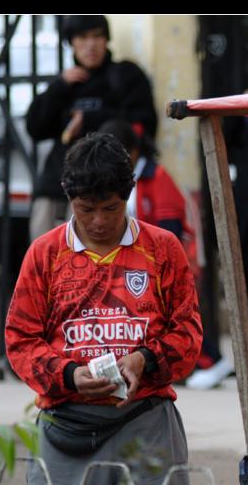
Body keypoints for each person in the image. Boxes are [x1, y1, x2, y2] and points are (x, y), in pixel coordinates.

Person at [5, 132, 201, 485]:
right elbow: (20, 340)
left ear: (127, 196)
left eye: (110, 208)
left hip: (147, 423)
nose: (97, 221)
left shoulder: (163, 250)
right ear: (69, 201)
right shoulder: (44, 255)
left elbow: (188, 333)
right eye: (85, 208)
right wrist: (69, 375)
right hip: (66, 430)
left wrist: (144, 360)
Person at [97, 119, 228, 389]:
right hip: (136, 263)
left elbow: (171, 228)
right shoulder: (123, 181)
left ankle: (211, 361)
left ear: (131, 152)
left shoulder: (157, 177)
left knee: (179, 316)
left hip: (169, 259)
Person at [26, 15, 157, 242]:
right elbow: (35, 127)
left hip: (103, 189)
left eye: (97, 36)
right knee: (45, 257)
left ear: (106, 40)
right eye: (83, 37)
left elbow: (143, 124)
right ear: (72, 43)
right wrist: (59, 88)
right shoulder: (67, 84)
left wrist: (89, 121)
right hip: (55, 186)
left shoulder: (124, 76)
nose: (91, 44)